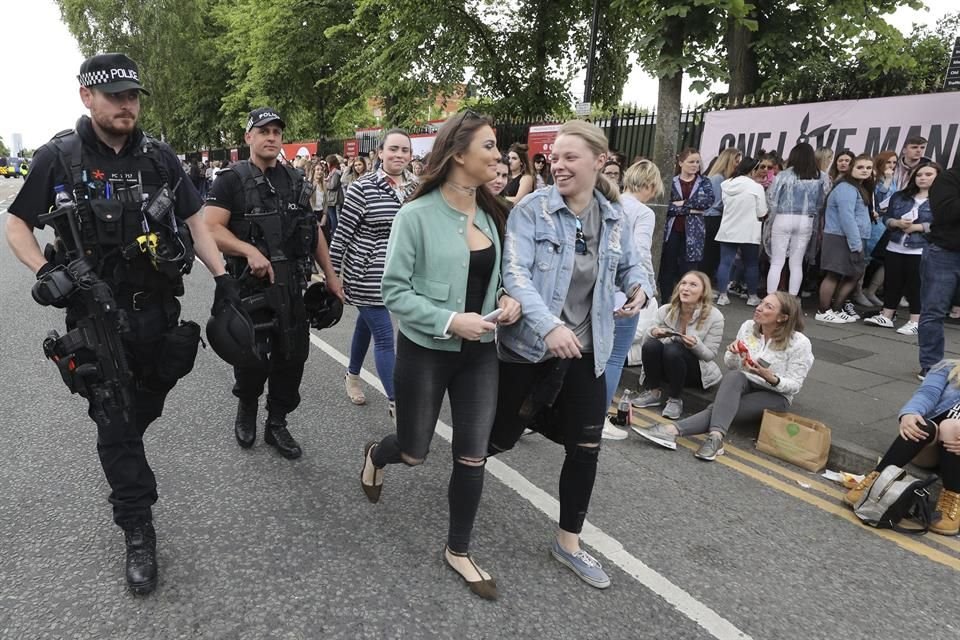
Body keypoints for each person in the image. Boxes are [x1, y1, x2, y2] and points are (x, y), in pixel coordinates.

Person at [4, 53, 233, 594]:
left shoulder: (160, 159)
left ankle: (129, 443)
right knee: (115, 418)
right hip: (94, 318)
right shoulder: (57, 157)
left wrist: (224, 283)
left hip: (156, 310)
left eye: (133, 96)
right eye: (115, 96)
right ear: (87, 96)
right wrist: (45, 271)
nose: (127, 105)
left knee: (150, 397)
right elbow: (17, 226)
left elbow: (197, 224)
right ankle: (137, 527)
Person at [358, 111, 520, 600]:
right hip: (426, 351)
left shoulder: (495, 212)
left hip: (481, 354)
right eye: (489, 147)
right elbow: (394, 291)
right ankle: (376, 454)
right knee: (414, 450)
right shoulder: (416, 214)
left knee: (473, 457)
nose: (498, 155)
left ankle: (459, 550)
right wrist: (451, 320)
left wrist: (508, 298)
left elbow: (503, 274)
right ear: (458, 154)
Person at [488, 120, 653, 590]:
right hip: (529, 348)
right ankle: (511, 433)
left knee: (586, 447)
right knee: (496, 441)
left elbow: (629, 263)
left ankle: (568, 543)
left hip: (587, 347)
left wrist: (638, 287)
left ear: (600, 161)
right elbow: (515, 276)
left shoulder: (615, 214)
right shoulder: (532, 211)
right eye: (553, 158)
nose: (557, 165)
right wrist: (550, 326)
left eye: (569, 157)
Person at [205, 107, 344, 460]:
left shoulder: (296, 181)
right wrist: (247, 249)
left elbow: (313, 233)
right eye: (262, 131)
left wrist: (330, 275)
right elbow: (210, 229)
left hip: (292, 287)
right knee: (252, 359)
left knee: (292, 358)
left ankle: (277, 423)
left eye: (276, 132)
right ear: (248, 137)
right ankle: (247, 408)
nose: (270, 137)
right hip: (250, 289)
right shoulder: (230, 180)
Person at [636, 292, 813, 461]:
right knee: (734, 376)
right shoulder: (748, 327)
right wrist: (734, 353)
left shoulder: (799, 343)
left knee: (719, 410)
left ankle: (673, 430)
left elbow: (795, 385)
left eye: (768, 306)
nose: (759, 308)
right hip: (744, 382)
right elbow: (731, 365)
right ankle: (715, 438)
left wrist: (772, 378)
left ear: (782, 317)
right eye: (761, 303)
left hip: (775, 394)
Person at [330, 129, 417, 416]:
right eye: (393, 149)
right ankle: (397, 403)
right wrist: (333, 274)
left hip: (401, 273)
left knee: (365, 326)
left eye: (404, 150)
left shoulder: (415, 188)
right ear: (380, 153)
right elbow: (342, 233)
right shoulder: (362, 187)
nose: (399, 155)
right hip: (365, 272)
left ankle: (352, 375)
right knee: (383, 334)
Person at [842, 359, 960, 536]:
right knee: (923, 424)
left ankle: (953, 501)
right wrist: (910, 413)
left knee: (952, 426)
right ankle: (874, 481)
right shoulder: (948, 368)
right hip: (931, 448)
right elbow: (927, 394)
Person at [601, 159, 662, 440]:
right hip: (623, 289)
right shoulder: (643, 213)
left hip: (595, 284)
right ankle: (598, 417)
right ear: (649, 185)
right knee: (614, 356)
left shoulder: (607, 201)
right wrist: (648, 288)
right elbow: (639, 251)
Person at [631, 271, 724, 420]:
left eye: (693, 285)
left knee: (673, 350)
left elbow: (710, 355)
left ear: (703, 292)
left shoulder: (715, 316)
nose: (685, 288)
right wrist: (655, 332)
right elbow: (645, 342)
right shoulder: (666, 310)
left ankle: (675, 399)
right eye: (683, 283)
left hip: (695, 371)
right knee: (651, 345)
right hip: (667, 366)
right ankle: (653, 392)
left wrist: (695, 345)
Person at [863, 162, 942, 335]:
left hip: (921, 249)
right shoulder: (900, 196)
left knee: (916, 285)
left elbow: (942, 223)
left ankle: (916, 320)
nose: (923, 178)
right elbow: (887, 218)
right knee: (892, 282)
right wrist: (896, 223)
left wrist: (919, 227)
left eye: (928, 174)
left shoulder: (941, 199)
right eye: (919, 174)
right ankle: (887, 314)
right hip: (895, 245)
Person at [764, 143, 830, 297]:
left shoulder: (783, 176)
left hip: (783, 218)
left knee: (777, 262)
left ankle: (770, 298)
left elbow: (771, 198)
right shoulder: (821, 177)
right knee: (796, 263)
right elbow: (822, 201)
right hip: (806, 220)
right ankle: (793, 299)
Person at [816, 154, 874, 324]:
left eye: (868, 168)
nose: (865, 171)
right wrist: (856, 243)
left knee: (852, 274)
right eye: (860, 167)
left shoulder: (857, 187)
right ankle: (823, 310)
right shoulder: (846, 188)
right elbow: (846, 217)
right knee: (834, 274)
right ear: (851, 168)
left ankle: (836, 308)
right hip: (840, 237)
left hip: (850, 236)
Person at [918, 163, 960, 380]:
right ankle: (931, 366)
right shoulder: (947, 179)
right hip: (945, 253)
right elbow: (946, 212)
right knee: (933, 310)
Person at [658, 147, 714, 301]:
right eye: (691, 162)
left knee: (689, 268)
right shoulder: (671, 181)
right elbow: (666, 206)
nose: (695, 165)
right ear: (681, 162)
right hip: (673, 231)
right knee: (668, 267)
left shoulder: (704, 182)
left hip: (694, 233)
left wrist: (681, 204)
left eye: (697, 162)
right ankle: (666, 300)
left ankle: (685, 301)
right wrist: (691, 209)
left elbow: (707, 202)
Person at [715, 157, 768, 306]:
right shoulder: (756, 187)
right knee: (751, 263)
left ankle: (722, 295)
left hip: (728, 228)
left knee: (725, 262)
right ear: (753, 170)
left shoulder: (726, 184)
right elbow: (762, 211)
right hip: (749, 230)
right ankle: (752, 296)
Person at [702, 148, 742, 283]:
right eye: (736, 161)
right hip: (713, 218)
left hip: (716, 218)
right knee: (709, 254)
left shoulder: (723, 178)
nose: (738, 164)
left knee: (712, 255)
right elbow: (716, 203)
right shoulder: (718, 178)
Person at [324, 155, 344, 236]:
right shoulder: (333, 171)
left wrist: (325, 184)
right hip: (333, 197)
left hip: (333, 198)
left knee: (333, 216)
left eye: (328, 162)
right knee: (332, 215)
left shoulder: (335, 172)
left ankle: (335, 232)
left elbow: (333, 185)